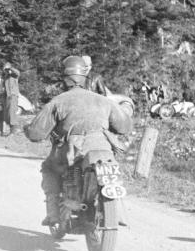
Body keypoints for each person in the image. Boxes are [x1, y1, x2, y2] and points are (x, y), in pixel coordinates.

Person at [24, 55, 133, 227]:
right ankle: (117, 211)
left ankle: (53, 214)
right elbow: (125, 126)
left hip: (75, 150)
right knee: (111, 171)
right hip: (103, 148)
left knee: (49, 168)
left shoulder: (59, 101)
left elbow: (36, 133)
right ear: (84, 76)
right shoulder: (103, 100)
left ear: (65, 78)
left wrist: (27, 129)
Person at [2, 62, 20, 134]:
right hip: (8, 97)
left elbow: (17, 73)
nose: (6, 71)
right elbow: (4, 89)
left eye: (7, 69)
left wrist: (10, 69)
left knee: (12, 114)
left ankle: (13, 132)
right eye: (5, 69)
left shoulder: (14, 75)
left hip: (13, 96)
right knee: (8, 115)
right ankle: (11, 131)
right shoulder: (6, 78)